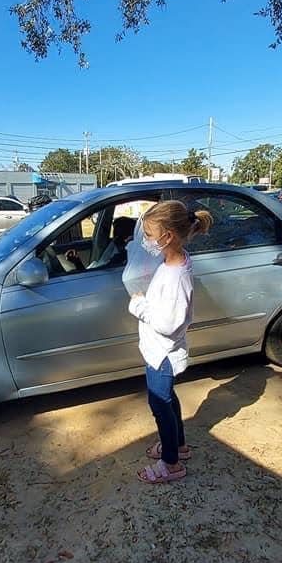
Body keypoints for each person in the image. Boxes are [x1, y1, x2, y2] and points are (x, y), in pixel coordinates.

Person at [127, 201, 213, 484]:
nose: (146, 241)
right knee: (169, 399)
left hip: (162, 353)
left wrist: (139, 306)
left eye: (150, 235)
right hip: (159, 351)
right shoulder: (174, 262)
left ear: (168, 237)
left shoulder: (176, 276)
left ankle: (171, 464)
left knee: (160, 405)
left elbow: (167, 323)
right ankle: (178, 446)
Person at [66, 216, 136, 272]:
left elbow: (93, 275)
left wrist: (77, 263)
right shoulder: (114, 247)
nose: (114, 236)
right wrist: (77, 261)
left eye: (117, 233)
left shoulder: (122, 256)